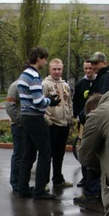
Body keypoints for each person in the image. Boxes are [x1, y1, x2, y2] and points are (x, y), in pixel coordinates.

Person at [74, 51, 109, 206]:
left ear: (103, 63)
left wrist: (83, 115)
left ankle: (93, 193)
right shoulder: (106, 76)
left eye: (95, 63)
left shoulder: (106, 78)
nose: (93, 66)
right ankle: (95, 191)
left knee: (93, 157)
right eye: (91, 64)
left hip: (101, 122)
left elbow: (99, 100)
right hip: (107, 121)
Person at [16, 46, 60, 200]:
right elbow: (38, 101)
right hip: (35, 118)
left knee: (28, 153)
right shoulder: (34, 76)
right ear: (39, 58)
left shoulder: (23, 75)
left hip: (25, 117)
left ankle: (22, 187)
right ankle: (40, 189)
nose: (45, 62)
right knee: (45, 153)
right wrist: (51, 101)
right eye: (45, 59)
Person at [42, 58, 74, 188]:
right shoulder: (45, 85)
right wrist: (47, 120)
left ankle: (58, 178)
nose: (57, 72)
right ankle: (44, 182)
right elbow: (39, 104)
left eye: (59, 69)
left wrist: (70, 117)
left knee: (59, 154)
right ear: (49, 70)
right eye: (54, 69)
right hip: (52, 124)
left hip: (64, 123)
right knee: (47, 154)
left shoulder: (65, 85)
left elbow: (69, 102)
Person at [72, 61, 95, 188]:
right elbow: (76, 101)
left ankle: (93, 178)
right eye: (85, 68)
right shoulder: (80, 84)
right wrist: (77, 116)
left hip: (95, 121)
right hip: (83, 121)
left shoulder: (98, 82)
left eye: (90, 68)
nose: (88, 71)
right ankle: (84, 177)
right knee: (83, 148)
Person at [5, 78, 25, 192]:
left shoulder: (31, 84)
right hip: (18, 126)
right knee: (19, 154)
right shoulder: (16, 86)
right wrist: (19, 121)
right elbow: (9, 106)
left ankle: (23, 183)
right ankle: (16, 183)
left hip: (28, 126)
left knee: (26, 155)